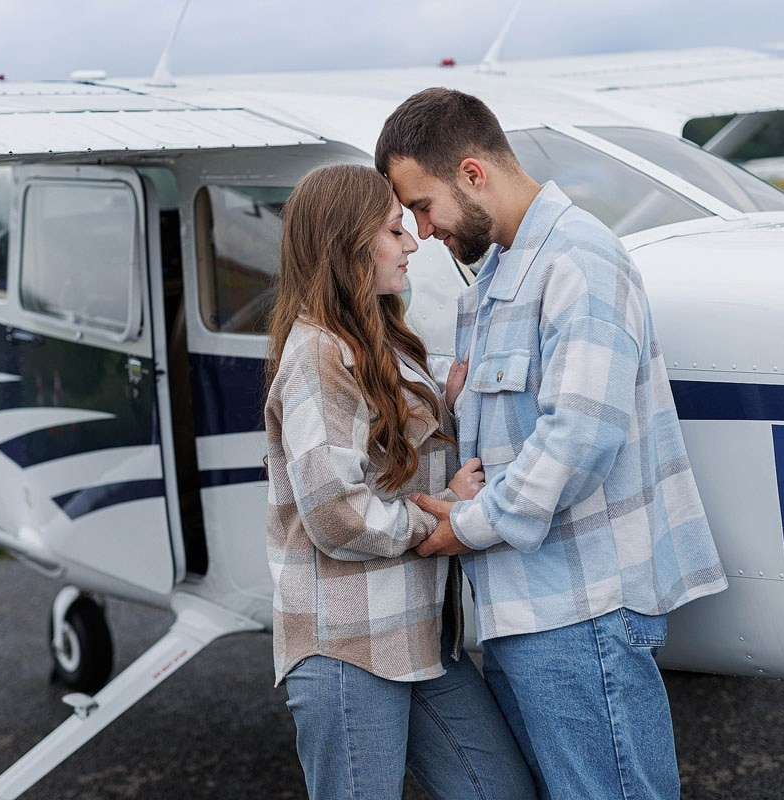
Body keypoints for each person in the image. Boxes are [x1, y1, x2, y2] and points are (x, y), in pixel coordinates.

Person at [375, 88, 730, 799]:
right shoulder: (504, 273)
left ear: (473, 174)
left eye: (422, 205)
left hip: (581, 611)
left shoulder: (578, 262)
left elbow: (579, 439)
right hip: (527, 610)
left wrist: (462, 529)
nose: (420, 229)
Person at [264, 163, 534, 800]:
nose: (413, 240)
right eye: (393, 230)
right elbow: (338, 514)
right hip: (348, 648)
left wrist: (451, 402)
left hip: (418, 637)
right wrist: (437, 519)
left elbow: (393, 451)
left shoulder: (383, 340)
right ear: (349, 245)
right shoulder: (317, 354)